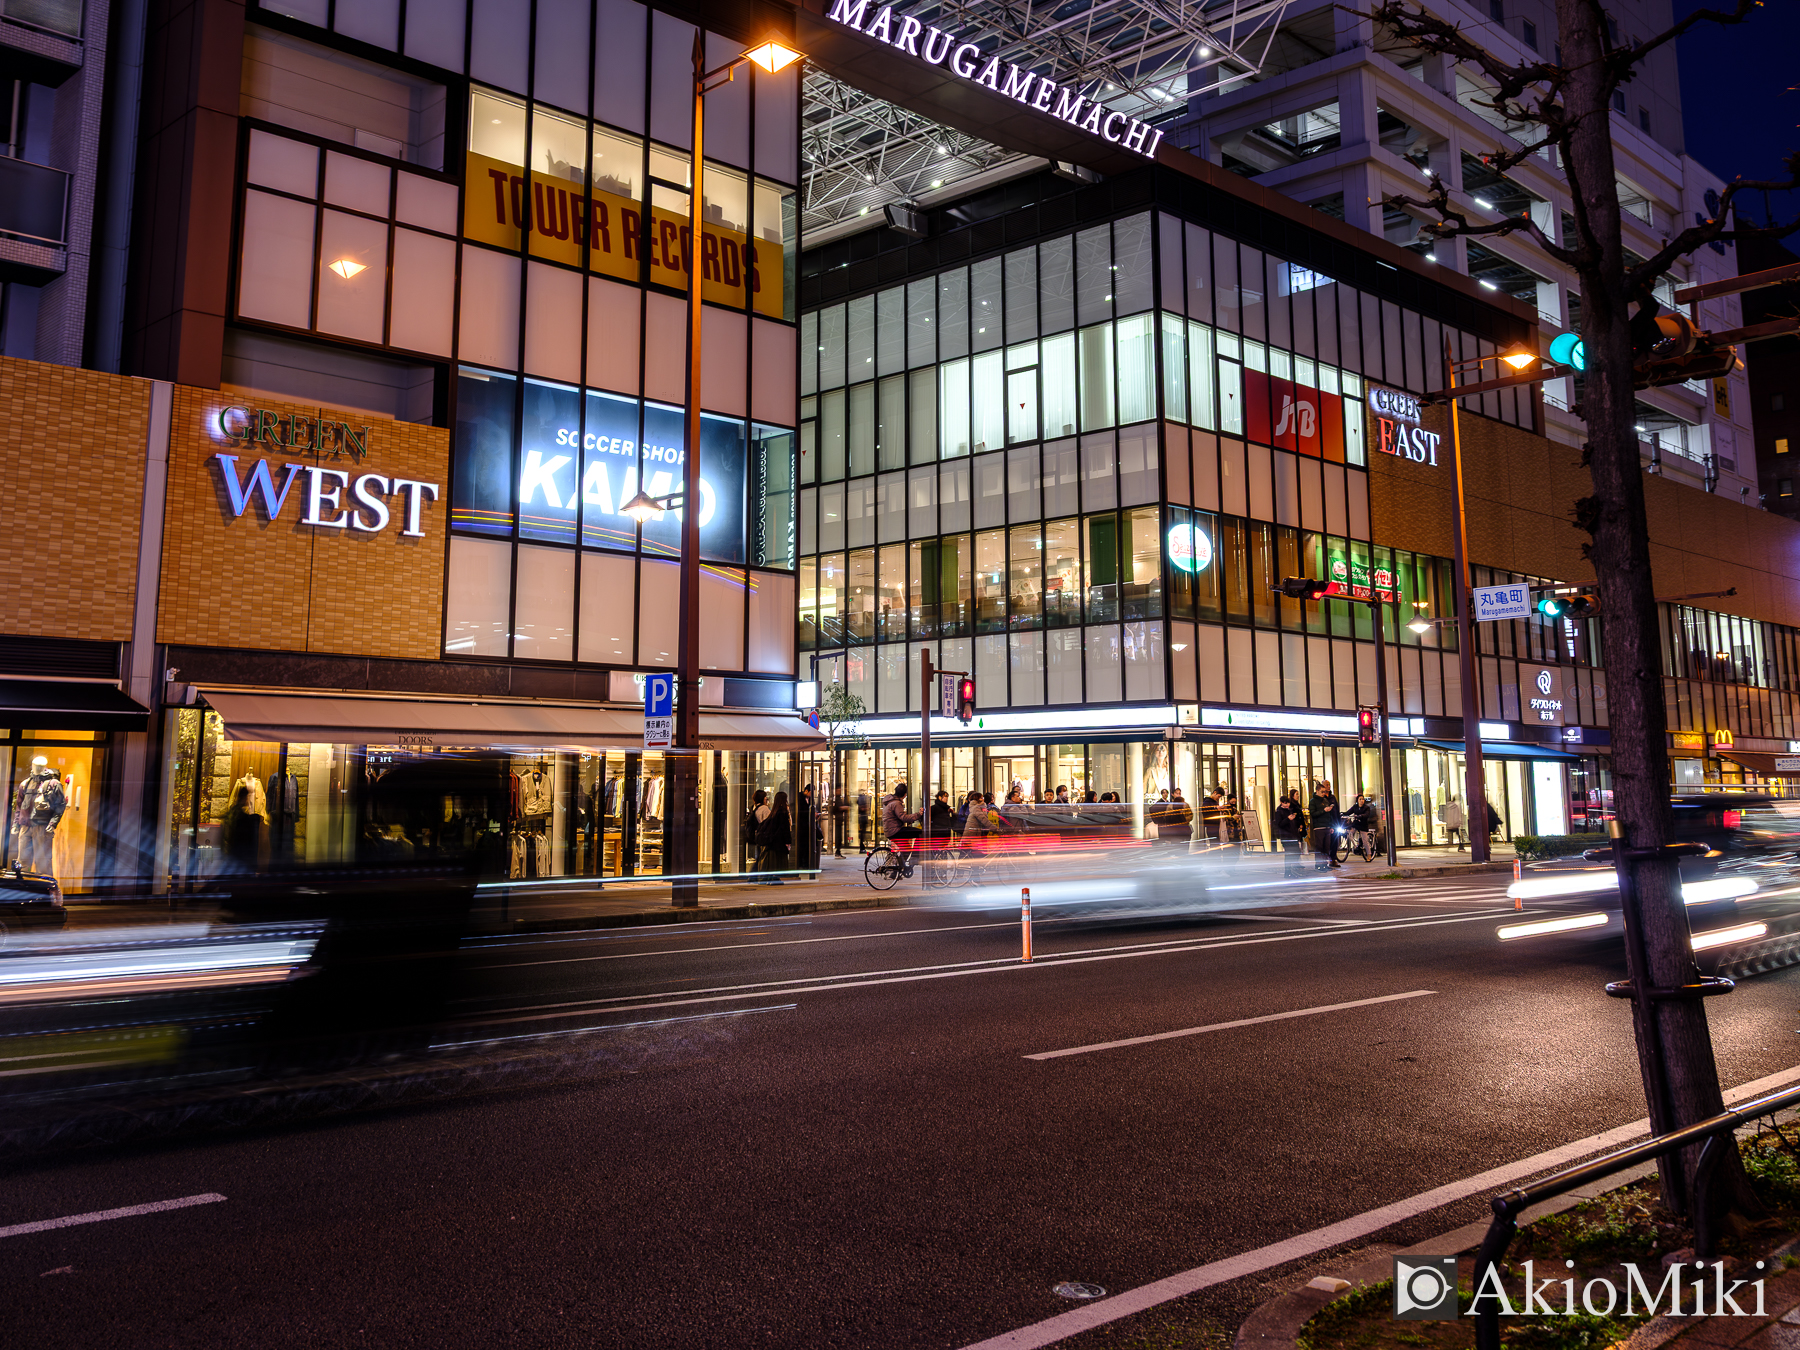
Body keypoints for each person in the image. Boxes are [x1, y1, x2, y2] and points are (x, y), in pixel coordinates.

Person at [222, 784, 264, 871]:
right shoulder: (241, 816)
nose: (248, 800)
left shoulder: (231, 813)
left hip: (231, 852)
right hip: (238, 854)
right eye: (247, 797)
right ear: (244, 797)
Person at [1308, 780, 1342, 870]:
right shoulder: (1313, 801)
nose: (1324, 793)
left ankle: (1325, 864)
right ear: (1317, 791)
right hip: (1319, 827)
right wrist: (1324, 810)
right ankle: (1319, 865)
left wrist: (1331, 826)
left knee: (1326, 847)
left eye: (1325, 792)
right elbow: (1313, 814)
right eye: (1322, 792)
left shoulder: (1326, 800)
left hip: (1327, 827)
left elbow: (1330, 815)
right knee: (1320, 847)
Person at [759, 791, 793, 882]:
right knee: (779, 861)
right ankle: (775, 878)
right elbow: (784, 827)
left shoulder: (774, 811)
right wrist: (788, 840)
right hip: (779, 841)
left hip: (773, 841)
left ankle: (771, 877)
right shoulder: (783, 811)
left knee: (773, 861)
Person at [1273, 788, 1307, 876]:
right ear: (1281, 803)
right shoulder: (1279, 811)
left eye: (1288, 803)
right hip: (1285, 836)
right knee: (1289, 854)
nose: (1287, 805)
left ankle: (1292, 870)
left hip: (1293, 834)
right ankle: (1287, 872)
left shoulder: (1289, 810)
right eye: (1285, 803)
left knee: (1297, 852)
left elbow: (1294, 821)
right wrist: (1288, 819)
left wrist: (1298, 825)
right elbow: (1279, 824)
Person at [746, 788, 771, 875]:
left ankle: (753, 875)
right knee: (762, 856)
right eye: (765, 797)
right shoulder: (764, 809)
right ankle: (753, 875)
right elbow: (768, 822)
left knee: (759, 856)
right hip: (763, 835)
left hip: (756, 835)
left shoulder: (753, 807)